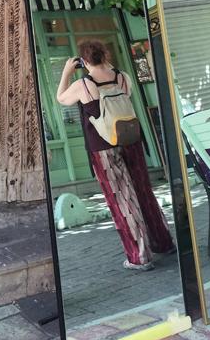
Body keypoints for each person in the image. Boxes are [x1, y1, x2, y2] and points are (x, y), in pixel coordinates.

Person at [56, 39, 175, 271]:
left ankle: (139, 256)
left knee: (122, 199)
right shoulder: (122, 76)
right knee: (143, 192)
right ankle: (162, 242)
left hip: (103, 148)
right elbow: (125, 98)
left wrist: (66, 72)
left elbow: (61, 98)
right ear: (105, 54)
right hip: (131, 139)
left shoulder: (84, 84)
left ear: (84, 60)